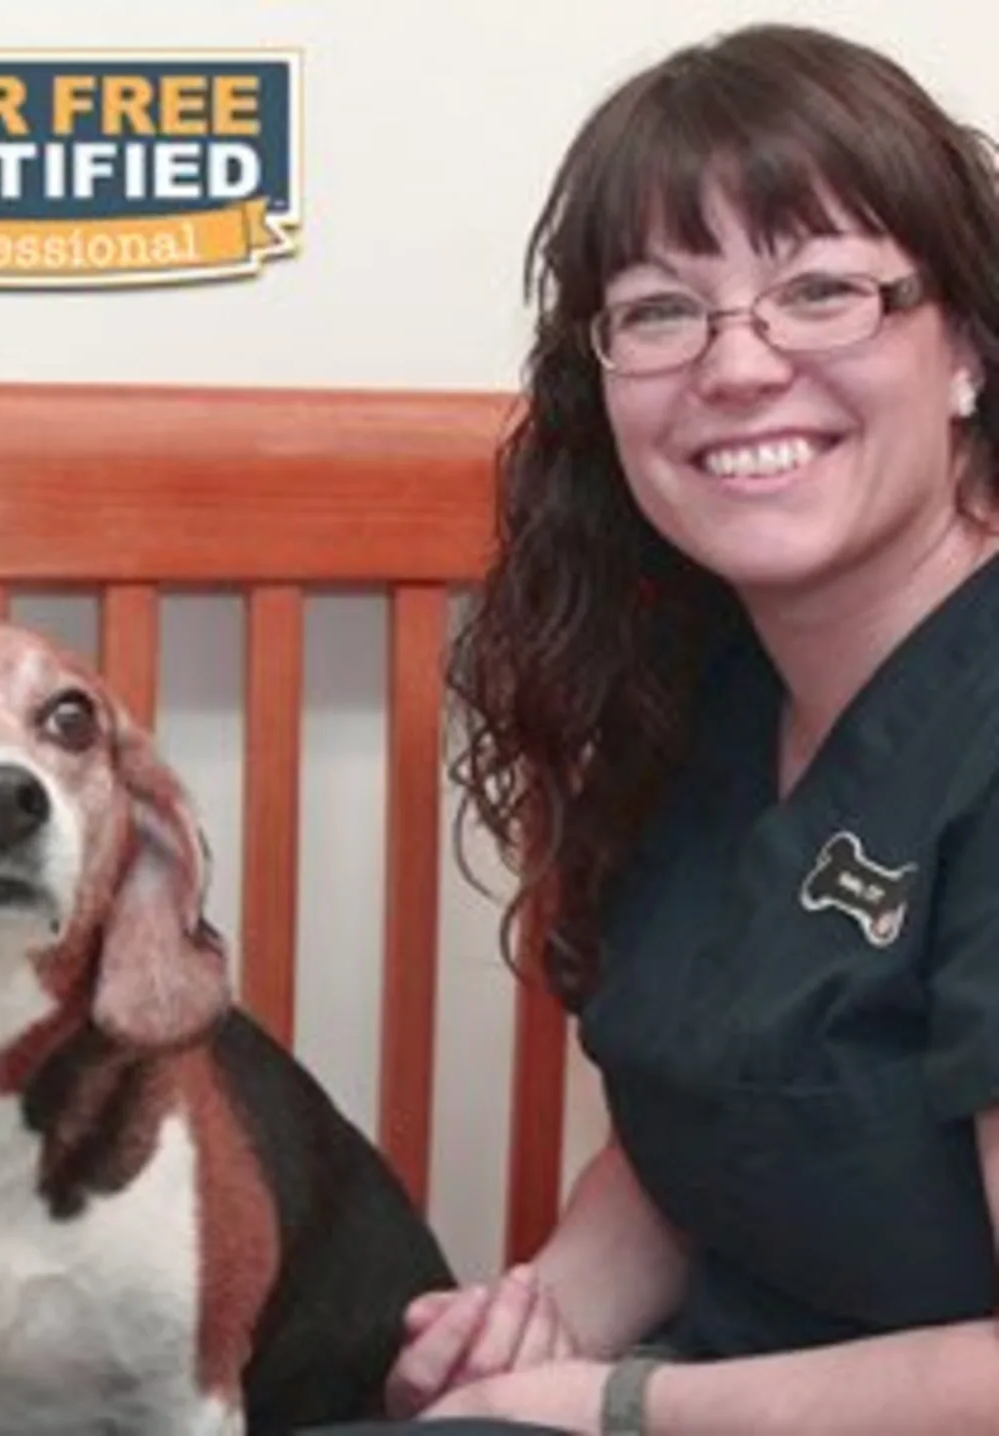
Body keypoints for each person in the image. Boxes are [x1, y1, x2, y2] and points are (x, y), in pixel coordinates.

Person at [376, 19, 999, 1436]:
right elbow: (725, 1118)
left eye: (823, 290)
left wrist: (615, 1401)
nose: (736, 365)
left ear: (966, 347)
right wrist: (531, 1327)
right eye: (661, 309)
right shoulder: (696, 686)